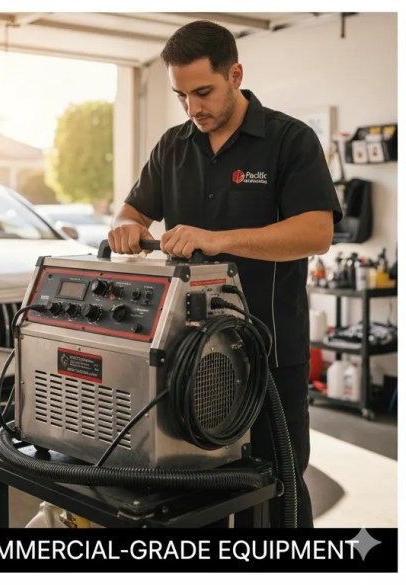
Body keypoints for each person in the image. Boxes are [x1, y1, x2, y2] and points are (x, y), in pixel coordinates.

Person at [108, 20, 342, 528]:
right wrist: (126, 226)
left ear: (235, 75)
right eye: (181, 96)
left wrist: (219, 239)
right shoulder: (173, 146)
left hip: (268, 353)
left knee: (277, 491)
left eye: (203, 92)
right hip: (188, 359)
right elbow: (132, 212)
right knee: (199, 496)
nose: (192, 108)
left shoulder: (289, 141)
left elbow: (317, 232)